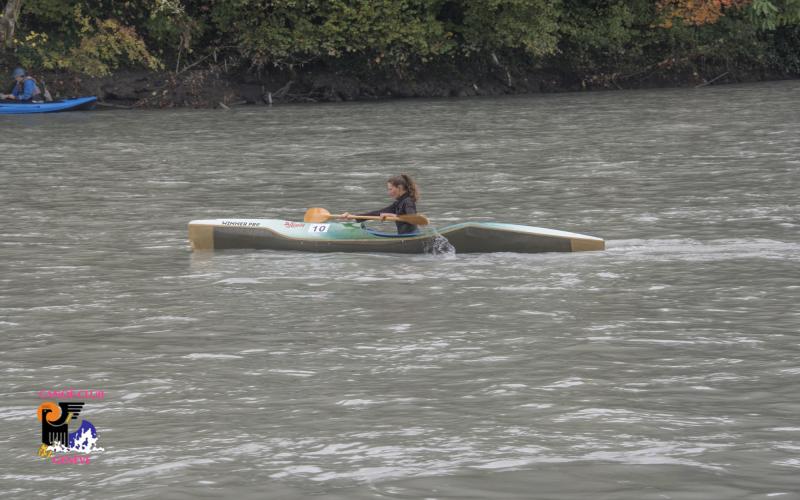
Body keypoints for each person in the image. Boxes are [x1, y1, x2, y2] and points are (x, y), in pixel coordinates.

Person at [344, 173, 420, 234]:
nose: (389, 193)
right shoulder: (398, 203)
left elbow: (412, 219)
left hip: (411, 237)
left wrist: (393, 215)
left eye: (390, 189)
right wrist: (354, 216)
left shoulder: (408, 201)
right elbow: (378, 213)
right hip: (403, 237)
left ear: (399, 188)